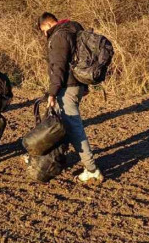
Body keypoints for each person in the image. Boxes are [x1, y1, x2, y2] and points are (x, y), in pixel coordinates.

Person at [37, 12, 103, 183]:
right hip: (77, 86)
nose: (44, 34)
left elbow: (58, 67)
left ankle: (92, 170)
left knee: (74, 128)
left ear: (49, 24)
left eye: (44, 30)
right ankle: (53, 159)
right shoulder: (75, 29)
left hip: (67, 88)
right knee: (61, 125)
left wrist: (52, 93)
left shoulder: (59, 36)